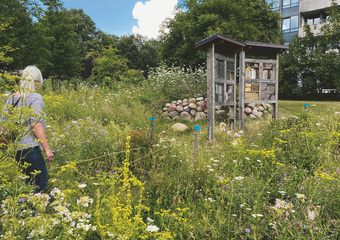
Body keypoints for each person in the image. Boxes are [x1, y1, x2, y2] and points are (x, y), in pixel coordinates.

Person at [1, 65, 53, 192]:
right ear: (37, 82)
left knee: (29, 183)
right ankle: (32, 210)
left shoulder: (12, 98)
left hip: (17, 151)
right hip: (31, 149)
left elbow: (4, 123)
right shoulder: (35, 97)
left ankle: (23, 209)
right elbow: (36, 124)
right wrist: (47, 149)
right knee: (40, 183)